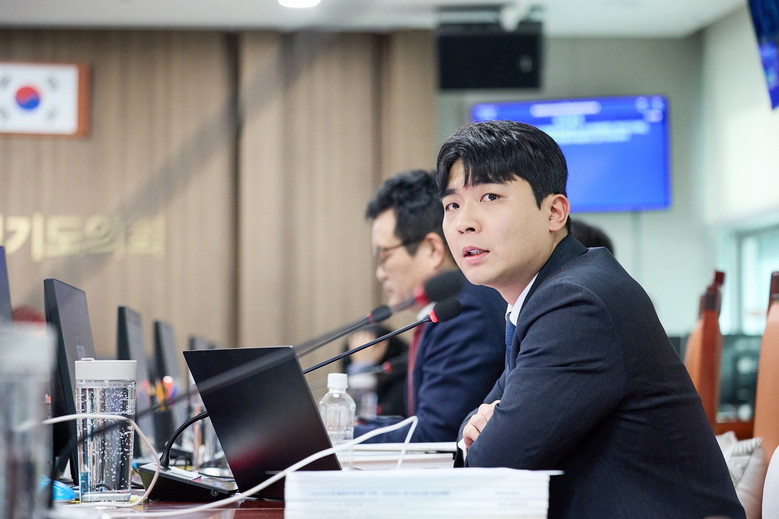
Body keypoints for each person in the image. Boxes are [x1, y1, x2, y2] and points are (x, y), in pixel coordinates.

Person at [435, 121, 744, 519]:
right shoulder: (546, 296)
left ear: (554, 212)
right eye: (452, 205)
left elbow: (493, 465)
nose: (464, 222)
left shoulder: (576, 302)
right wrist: (482, 427)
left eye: (490, 196)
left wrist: (491, 429)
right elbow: (476, 430)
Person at [356, 169, 506, 443]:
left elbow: (436, 435)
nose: (380, 273)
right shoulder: (453, 307)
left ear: (432, 250)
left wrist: (337, 438)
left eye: (384, 256)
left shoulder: (463, 313)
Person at [342, 324, 408, 417]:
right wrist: (359, 366)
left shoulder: (404, 374)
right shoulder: (350, 369)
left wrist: (364, 366)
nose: (362, 354)